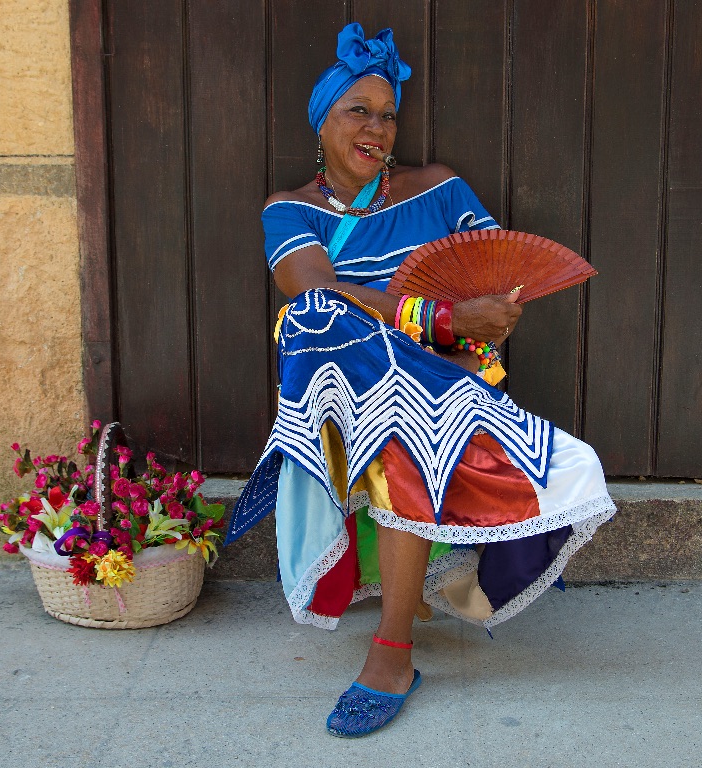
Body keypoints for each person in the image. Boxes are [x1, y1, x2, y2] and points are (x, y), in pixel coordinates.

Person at [226, 23, 616, 738]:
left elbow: (499, 284)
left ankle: (393, 653)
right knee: (320, 316)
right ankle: (398, 632)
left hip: (448, 377)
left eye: (387, 112)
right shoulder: (289, 210)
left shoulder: (438, 189)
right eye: (357, 111)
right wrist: (437, 318)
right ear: (323, 122)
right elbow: (312, 288)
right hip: (337, 385)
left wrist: (489, 324)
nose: (376, 127)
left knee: (407, 419)